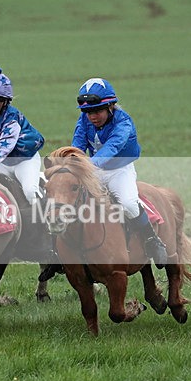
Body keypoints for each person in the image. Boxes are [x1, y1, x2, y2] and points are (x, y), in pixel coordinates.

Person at [71, 77, 168, 267]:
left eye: (97, 111)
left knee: (128, 203)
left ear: (110, 107)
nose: (92, 116)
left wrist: (87, 165)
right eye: (88, 112)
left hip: (119, 170)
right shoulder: (83, 120)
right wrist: (73, 163)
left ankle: (152, 240)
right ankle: (61, 249)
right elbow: (78, 144)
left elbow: (113, 146)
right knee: (71, 200)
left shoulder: (124, 123)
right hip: (93, 169)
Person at [0, 68, 45, 206]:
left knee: (30, 191)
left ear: (4, 103)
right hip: (3, 163)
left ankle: (45, 222)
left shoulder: (11, 119)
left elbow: (3, 149)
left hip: (25, 161)